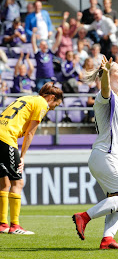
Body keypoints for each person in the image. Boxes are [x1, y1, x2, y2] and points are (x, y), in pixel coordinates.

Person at [72, 56, 118, 249]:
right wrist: (104, 72)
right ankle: (83, 217)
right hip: (108, 156)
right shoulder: (105, 94)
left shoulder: (115, 101)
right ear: (108, 75)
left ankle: (107, 239)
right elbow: (105, 89)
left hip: (103, 157)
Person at [0, 82, 63, 234]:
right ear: (51, 97)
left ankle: (2, 224)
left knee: (4, 181)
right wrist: (22, 157)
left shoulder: (28, 98)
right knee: (18, 181)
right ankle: (15, 226)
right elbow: (30, 133)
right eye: (56, 104)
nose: (54, 108)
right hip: (6, 138)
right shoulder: (42, 104)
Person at [31, 26, 63, 91]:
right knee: (40, 94)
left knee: (49, 95)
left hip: (49, 78)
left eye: (46, 44)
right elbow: (33, 43)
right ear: (40, 46)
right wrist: (34, 33)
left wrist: (60, 33)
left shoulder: (50, 52)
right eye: (43, 45)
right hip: (40, 78)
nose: (45, 46)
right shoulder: (38, 53)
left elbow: (57, 42)